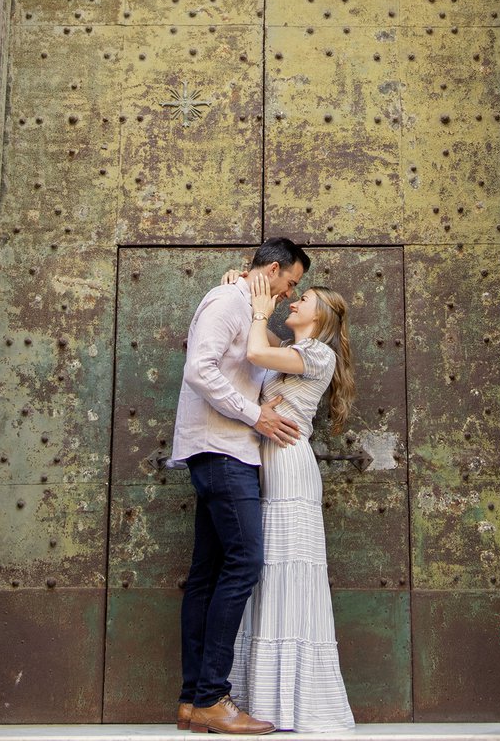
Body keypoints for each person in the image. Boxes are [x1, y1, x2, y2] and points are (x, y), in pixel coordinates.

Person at [172, 239, 309, 736]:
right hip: (223, 450)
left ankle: (192, 700)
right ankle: (212, 696)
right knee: (245, 562)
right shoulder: (226, 300)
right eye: (290, 282)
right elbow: (199, 369)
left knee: (207, 574)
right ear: (274, 269)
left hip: (225, 451)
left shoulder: (248, 306)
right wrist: (256, 416)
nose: (291, 291)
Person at [229, 269, 358, 733]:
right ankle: (265, 699)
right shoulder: (295, 351)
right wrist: (238, 284)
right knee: (267, 570)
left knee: (287, 569)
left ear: (321, 316)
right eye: (294, 297)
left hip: (288, 463)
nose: (295, 303)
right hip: (268, 459)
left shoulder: (316, 352)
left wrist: (260, 312)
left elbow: (256, 351)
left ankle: (296, 702)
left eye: (305, 301)